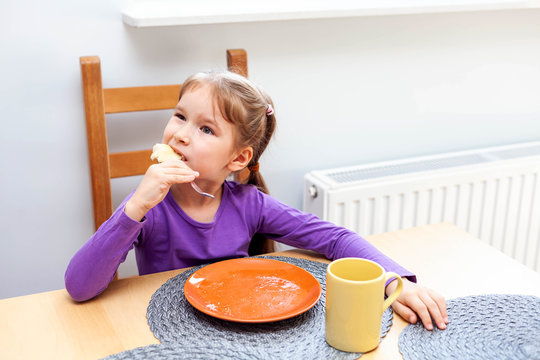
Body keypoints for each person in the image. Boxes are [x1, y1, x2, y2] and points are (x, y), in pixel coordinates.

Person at [65, 71, 448, 331]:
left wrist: (398, 281)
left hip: (244, 328)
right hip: (166, 328)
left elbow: (335, 239)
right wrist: (133, 208)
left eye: (205, 129)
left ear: (237, 159)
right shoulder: (148, 207)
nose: (180, 135)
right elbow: (79, 287)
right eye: (179, 116)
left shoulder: (250, 205)